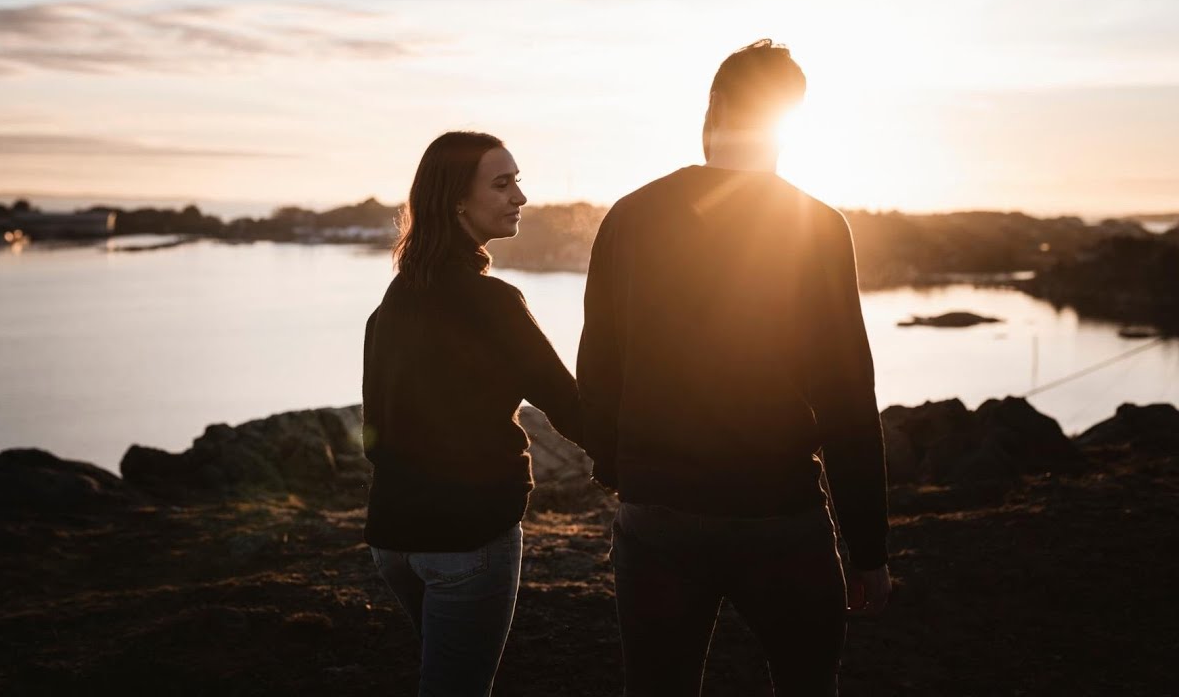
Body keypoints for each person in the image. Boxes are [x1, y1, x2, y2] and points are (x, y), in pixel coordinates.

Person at [577, 39, 892, 696]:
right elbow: (847, 396)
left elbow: (598, 371)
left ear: (714, 109)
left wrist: (624, 473)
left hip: (658, 518)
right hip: (779, 516)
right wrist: (868, 551)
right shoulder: (816, 225)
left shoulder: (630, 217)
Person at [362, 130, 582, 696]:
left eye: (517, 182)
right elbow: (570, 405)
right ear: (457, 200)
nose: (520, 197)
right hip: (467, 539)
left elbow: (375, 428)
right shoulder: (494, 304)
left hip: (394, 542)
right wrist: (638, 466)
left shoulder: (395, 301)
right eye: (503, 183)